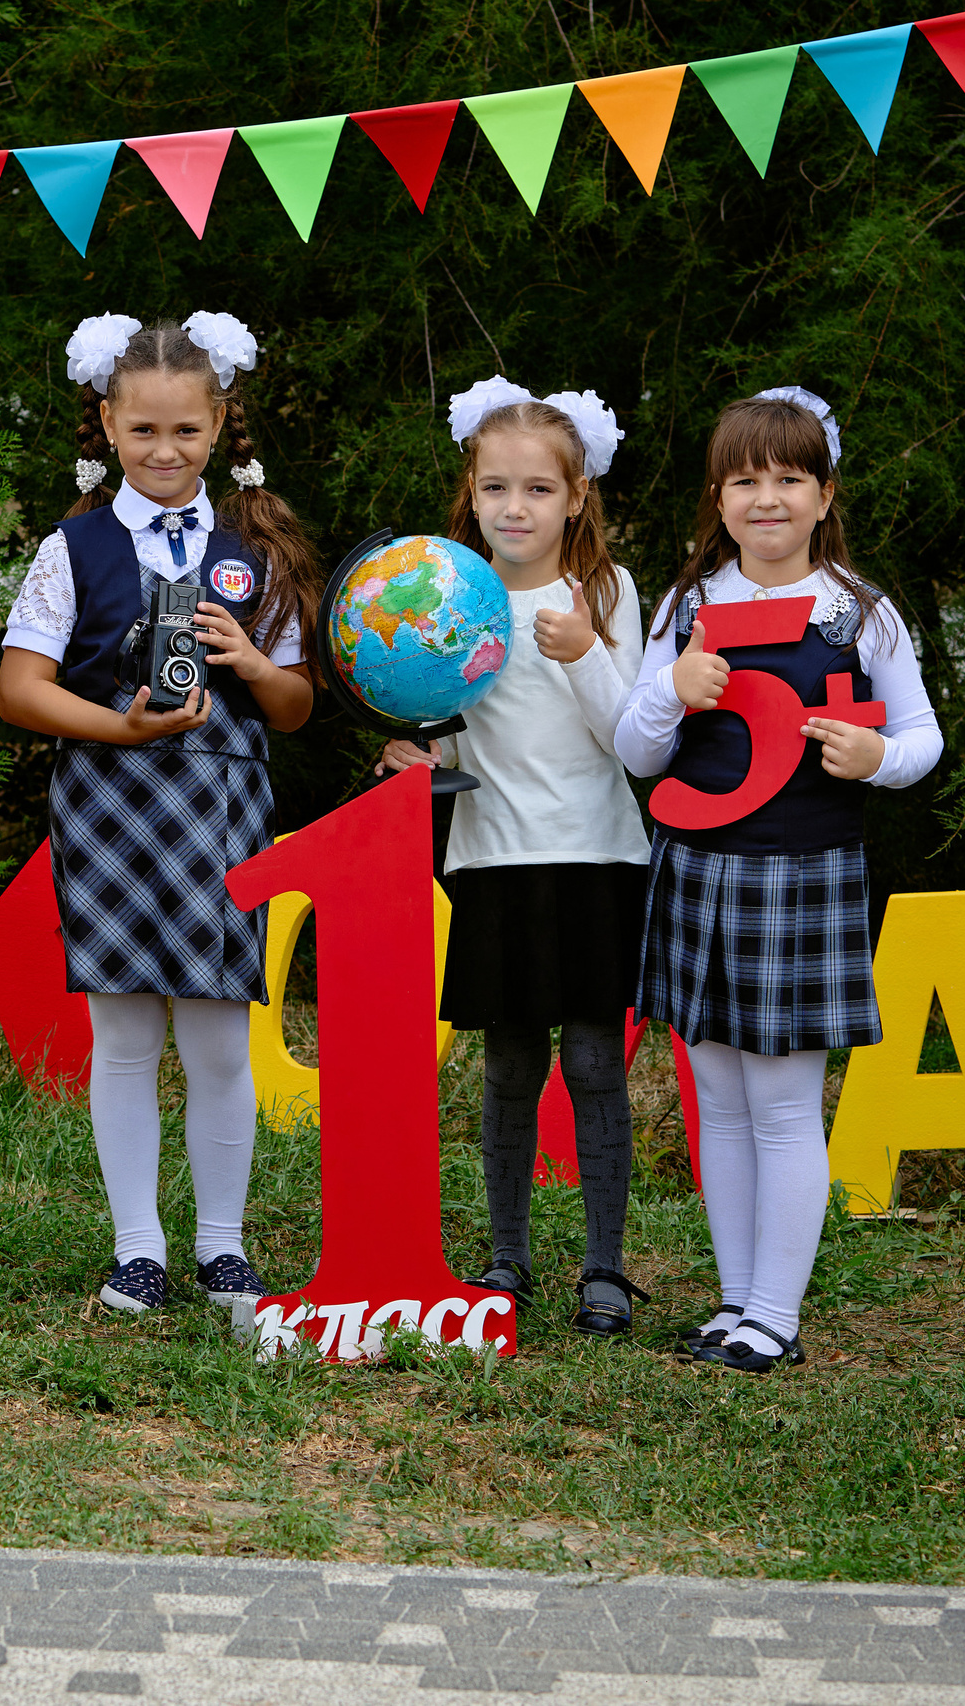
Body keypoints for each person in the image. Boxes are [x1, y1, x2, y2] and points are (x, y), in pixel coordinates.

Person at [0, 312, 318, 1315]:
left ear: (219, 426)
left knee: (220, 1039)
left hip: (221, 803)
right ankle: (138, 1248)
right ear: (107, 423)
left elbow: (297, 706)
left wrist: (255, 661)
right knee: (126, 1036)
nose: (165, 451)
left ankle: (223, 1248)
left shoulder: (252, 547)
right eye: (143, 432)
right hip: (109, 796)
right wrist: (117, 727)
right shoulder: (72, 546)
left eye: (185, 432)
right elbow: (17, 689)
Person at [613, 388, 942, 1373]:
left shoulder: (861, 614)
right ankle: (734, 1303)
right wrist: (672, 698)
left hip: (803, 872)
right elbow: (635, 753)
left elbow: (922, 737)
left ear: (822, 493)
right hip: (697, 867)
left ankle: (774, 1316)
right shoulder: (686, 607)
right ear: (718, 499)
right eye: (744, 480)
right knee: (716, 1092)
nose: (766, 498)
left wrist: (874, 756)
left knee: (787, 1101)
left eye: (787, 478)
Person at [378, 378, 654, 1336]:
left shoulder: (606, 593)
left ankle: (606, 1269)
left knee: (592, 1061)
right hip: (493, 861)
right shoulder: (455, 594)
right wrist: (415, 751)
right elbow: (452, 733)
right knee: (507, 1064)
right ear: (471, 493)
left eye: (539, 490)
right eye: (496, 489)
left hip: (596, 855)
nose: (515, 508)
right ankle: (507, 1259)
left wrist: (582, 649)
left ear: (576, 496)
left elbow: (634, 737)